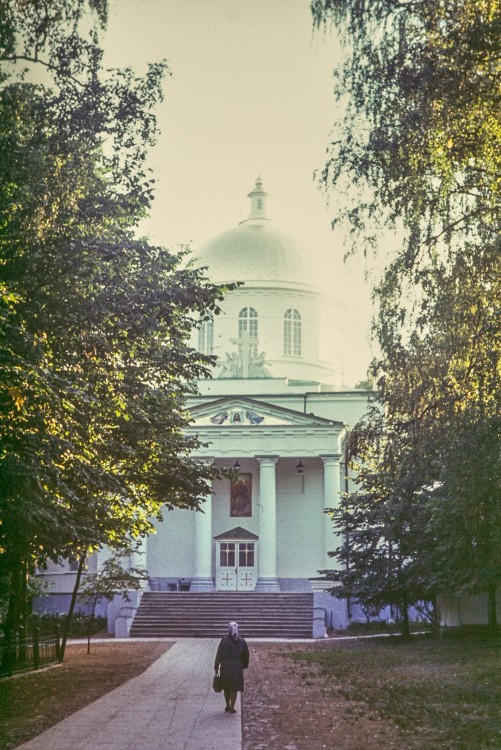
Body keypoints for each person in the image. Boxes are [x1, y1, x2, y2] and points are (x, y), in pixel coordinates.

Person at [214, 621, 249, 714]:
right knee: (234, 688)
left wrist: (216, 665)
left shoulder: (224, 640)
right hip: (237, 667)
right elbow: (246, 655)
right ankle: (232, 707)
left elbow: (219, 654)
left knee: (226, 687)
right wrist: (244, 665)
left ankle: (228, 705)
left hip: (226, 666)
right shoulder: (242, 641)